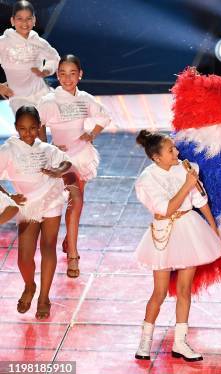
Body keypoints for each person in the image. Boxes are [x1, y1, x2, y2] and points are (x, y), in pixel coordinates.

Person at [133, 130, 221, 362]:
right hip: (164, 233)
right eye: (170, 150)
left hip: (188, 230)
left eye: (175, 148)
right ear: (157, 157)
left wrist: (212, 227)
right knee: (160, 292)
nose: (177, 152)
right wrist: (187, 183)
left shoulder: (185, 168)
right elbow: (166, 209)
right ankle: (145, 340)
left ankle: (181, 342)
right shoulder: (147, 179)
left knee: (184, 290)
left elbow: (198, 200)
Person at [38, 54, 112, 278]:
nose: (67, 78)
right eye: (62, 73)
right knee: (71, 203)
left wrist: (92, 134)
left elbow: (104, 116)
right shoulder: (49, 102)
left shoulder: (85, 99)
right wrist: (44, 149)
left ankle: (71, 247)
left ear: (80, 75)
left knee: (75, 204)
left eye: (72, 73)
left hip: (81, 156)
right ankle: (71, 250)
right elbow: (38, 125)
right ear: (57, 75)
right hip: (59, 159)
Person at [0, 105, 71, 319]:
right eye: (23, 128)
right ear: (15, 128)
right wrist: (10, 197)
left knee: (48, 247)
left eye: (32, 128)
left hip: (50, 198)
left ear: (39, 127)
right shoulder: (9, 150)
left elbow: (66, 162)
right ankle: (30, 286)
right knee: (24, 257)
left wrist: (57, 170)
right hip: (27, 204)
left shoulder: (46, 149)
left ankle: (44, 297)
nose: (28, 133)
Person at [0, 0, 59, 118]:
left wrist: (46, 70)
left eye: (28, 19)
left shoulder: (39, 42)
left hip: (41, 93)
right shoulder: (3, 42)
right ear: (12, 21)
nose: (24, 23)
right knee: (27, 125)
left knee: (44, 125)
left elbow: (54, 59)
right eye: (20, 19)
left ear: (34, 20)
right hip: (18, 97)